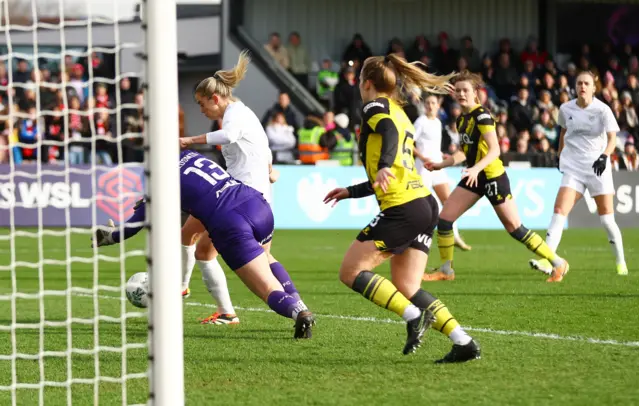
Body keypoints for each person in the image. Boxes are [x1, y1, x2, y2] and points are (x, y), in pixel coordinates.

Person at [323, 54, 480, 363]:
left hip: (404, 207)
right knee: (407, 285)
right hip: (423, 203)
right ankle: (463, 342)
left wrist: (381, 166)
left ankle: (412, 316)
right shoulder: (400, 112)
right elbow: (396, 167)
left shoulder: (374, 106)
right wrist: (352, 191)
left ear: (365, 83)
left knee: (350, 271)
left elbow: (389, 148)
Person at [94, 150, 315, 338]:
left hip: (229, 222)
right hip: (254, 203)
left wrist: (109, 236)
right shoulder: (190, 154)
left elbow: (134, 226)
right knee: (266, 258)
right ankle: (299, 304)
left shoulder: (161, 177)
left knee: (266, 287)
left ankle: (297, 312)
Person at [179, 50, 306, 324]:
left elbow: (229, 135)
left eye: (202, 104)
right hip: (258, 199)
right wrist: (269, 169)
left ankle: (195, 295)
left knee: (191, 239)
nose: (201, 110)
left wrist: (190, 140)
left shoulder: (234, 116)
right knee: (203, 247)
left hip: (237, 200)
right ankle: (298, 304)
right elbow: (260, 147)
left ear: (215, 99)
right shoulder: (245, 113)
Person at [422, 70, 569, 282]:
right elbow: (465, 151)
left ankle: (557, 262)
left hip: (492, 177)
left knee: (515, 228)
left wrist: (475, 169)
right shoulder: (462, 119)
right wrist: (441, 164)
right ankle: (446, 270)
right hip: (475, 177)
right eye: (459, 90)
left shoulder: (482, 116)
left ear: (475, 93)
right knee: (444, 219)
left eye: (466, 90)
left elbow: (494, 151)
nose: (462, 94)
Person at [529, 72, 627, 278]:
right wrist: (559, 154)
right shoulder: (565, 108)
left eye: (586, 83)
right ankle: (549, 260)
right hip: (574, 167)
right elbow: (564, 132)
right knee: (559, 211)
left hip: (598, 168)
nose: (582, 86)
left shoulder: (603, 110)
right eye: (579, 83)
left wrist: (604, 156)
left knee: (607, 220)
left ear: (594, 88)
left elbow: (612, 139)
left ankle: (621, 262)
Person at [412, 94, 472, 258]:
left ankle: (456, 236)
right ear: (425, 105)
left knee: (449, 201)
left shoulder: (438, 122)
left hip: (438, 166)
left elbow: (432, 146)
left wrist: (441, 155)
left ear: (438, 106)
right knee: (423, 205)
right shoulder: (420, 122)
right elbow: (409, 142)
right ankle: (416, 238)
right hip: (424, 167)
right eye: (428, 103)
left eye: (433, 103)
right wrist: (423, 157)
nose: (430, 106)